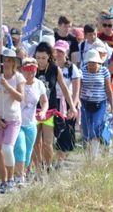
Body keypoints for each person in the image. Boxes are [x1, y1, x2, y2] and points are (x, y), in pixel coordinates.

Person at [33, 42, 77, 173]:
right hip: (33, 110)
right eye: (38, 57)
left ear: (49, 57)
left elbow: (64, 88)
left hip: (50, 110)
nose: (40, 61)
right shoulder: (32, 68)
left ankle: (48, 165)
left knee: (47, 142)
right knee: (36, 142)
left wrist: (72, 106)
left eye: (43, 58)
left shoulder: (54, 69)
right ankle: (38, 168)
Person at [0, 48, 24, 192]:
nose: (7, 63)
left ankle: (11, 179)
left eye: (9, 61)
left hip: (13, 118)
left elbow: (20, 98)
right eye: (4, 60)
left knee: (7, 148)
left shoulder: (19, 77)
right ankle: (3, 181)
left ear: (14, 63)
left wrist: (7, 86)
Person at [14, 58, 48, 185]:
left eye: (33, 70)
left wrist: (43, 111)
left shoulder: (39, 84)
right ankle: (19, 177)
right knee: (20, 148)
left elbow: (44, 101)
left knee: (28, 152)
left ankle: (23, 172)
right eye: (27, 70)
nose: (30, 73)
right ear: (22, 70)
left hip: (31, 123)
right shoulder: (17, 82)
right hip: (17, 122)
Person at [80, 49, 113, 159]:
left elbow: (108, 89)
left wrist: (112, 107)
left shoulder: (104, 71)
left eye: (94, 63)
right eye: (90, 62)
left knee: (95, 128)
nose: (91, 65)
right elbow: (79, 87)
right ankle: (90, 150)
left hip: (100, 104)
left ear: (98, 62)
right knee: (86, 129)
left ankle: (93, 157)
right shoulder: (82, 71)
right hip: (85, 103)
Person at [53, 40, 81, 168]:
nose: (58, 54)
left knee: (65, 133)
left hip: (67, 102)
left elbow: (76, 90)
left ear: (66, 53)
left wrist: (73, 107)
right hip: (52, 101)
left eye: (61, 51)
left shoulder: (72, 68)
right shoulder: (50, 66)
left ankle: (60, 161)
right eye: (56, 50)